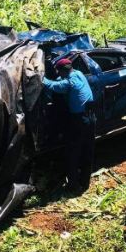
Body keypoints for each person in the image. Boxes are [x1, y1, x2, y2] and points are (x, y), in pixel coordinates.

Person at [42, 57, 95, 193]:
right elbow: (62, 81)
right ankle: (85, 182)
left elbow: (56, 86)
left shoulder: (70, 82)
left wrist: (42, 78)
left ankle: (73, 185)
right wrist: (59, 78)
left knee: (74, 150)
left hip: (80, 119)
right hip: (90, 117)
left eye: (59, 73)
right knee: (87, 149)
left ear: (62, 71)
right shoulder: (78, 73)